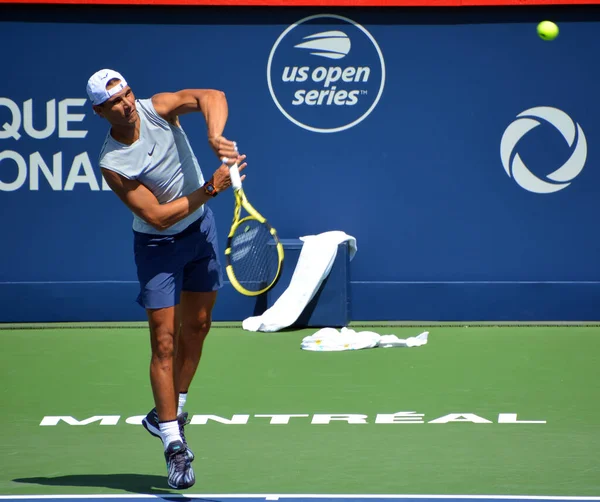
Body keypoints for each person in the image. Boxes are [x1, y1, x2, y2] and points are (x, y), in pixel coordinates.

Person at [86, 68, 246, 490]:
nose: (127, 105)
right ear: (101, 112)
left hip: (201, 232)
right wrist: (211, 190)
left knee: (199, 326)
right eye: (116, 103)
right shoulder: (112, 162)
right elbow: (155, 215)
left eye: (128, 94)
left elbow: (213, 91)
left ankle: (165, 414)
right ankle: (174, 445)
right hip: (158, 248)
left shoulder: (157, 108)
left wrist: (214, 136)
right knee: (164, 341)